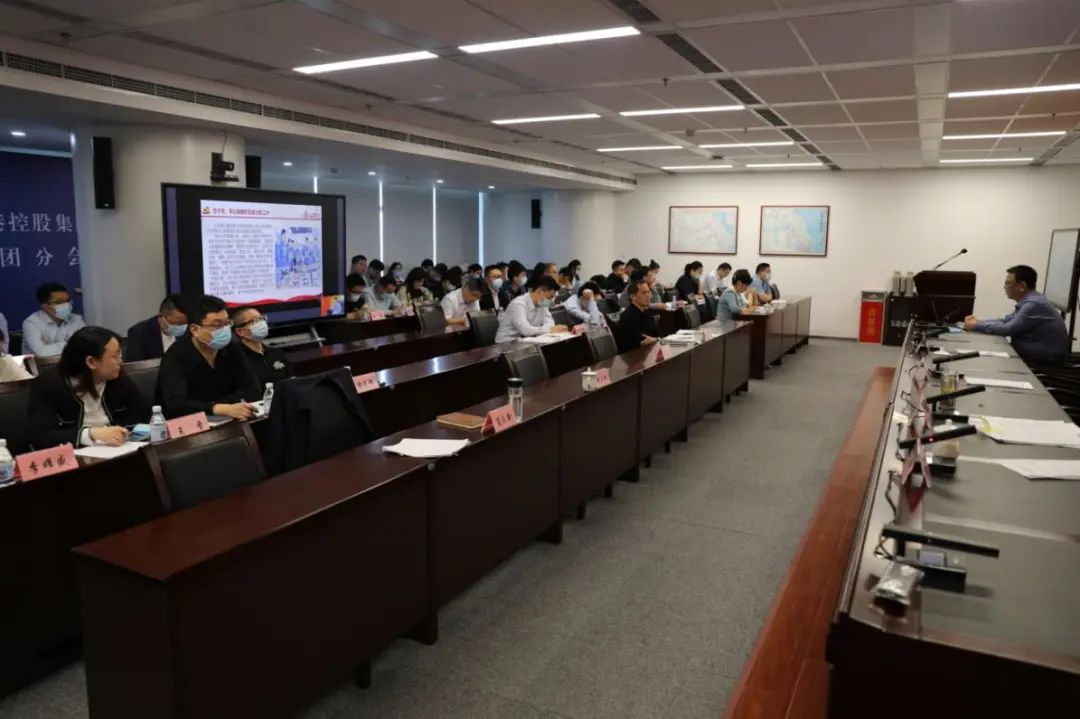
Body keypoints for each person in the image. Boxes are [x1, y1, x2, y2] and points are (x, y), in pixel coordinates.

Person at [28, 326, 149, 448]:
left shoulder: (117, 377)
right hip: (76, 454)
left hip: (117, 448)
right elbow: (41, 436)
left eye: (120, 354)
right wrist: (90, 434)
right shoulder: (49, 384)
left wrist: (119, 431)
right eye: (114, 356)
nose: (120, 361)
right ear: (91, 362)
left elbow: (144, 414)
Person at [156, 294, 260, 420]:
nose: (224, 329)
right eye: (217, 325)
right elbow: (176, 404)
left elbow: (252, 388)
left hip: (230, 418)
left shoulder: (232, 347)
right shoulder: (175, 356)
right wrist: (216, 408)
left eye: (227, 323)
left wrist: (226, 408)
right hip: (189, 424)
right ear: (195, 329)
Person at [963, 265, 1069, 360]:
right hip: (1030, 356)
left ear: (1022, 286)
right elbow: (1006, 320)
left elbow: (1008, 329)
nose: (1004, 287)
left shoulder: (1034, 304)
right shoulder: (1031, 301)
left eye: (1008, 283)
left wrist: (976, 325)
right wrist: (978, 322)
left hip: (1042, 361)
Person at [495, 276, 568, 342]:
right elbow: (525, 330)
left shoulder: (542, 303)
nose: (551, 301)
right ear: (540, 291)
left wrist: (550, 329)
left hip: (525, 341)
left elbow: (550, 322)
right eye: (550, 297)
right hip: (506, 343)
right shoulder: (518, 304)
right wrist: (549, 329)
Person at [22, 282, 86, 357]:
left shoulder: (76, 319)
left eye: (67, 300)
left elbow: (86, 344)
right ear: (45, 306)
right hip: (40, 364)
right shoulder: (32, 323)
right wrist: (73, 345)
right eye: (59, 302)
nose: (66, 304)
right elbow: (41, 352)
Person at [232, 307, 291, 386]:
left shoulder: (276, 353)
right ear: (240, 331)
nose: (261, 323)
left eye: (262, 319)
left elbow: (292, 382)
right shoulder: (237, 359)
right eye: (255, 320)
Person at [125, 294, 189, 362]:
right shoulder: (139, 333)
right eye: (178, 323)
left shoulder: (189, 331)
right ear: (161, 316)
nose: (182, 327)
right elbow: (136, 366)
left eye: (185, 323)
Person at [615, 278, 660, 353]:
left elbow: (655, 335)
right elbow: (642, 342)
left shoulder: (647, 311)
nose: (648, 296)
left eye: (648, 292)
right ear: (633, 297)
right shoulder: (628, 316)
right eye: (644, 293)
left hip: (650, 351)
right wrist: (656, 339)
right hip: (634, 355)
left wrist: (656, 339)